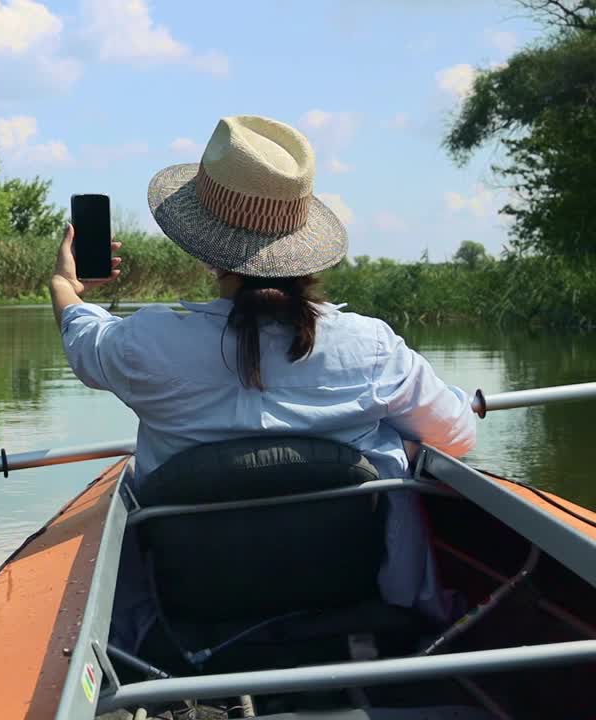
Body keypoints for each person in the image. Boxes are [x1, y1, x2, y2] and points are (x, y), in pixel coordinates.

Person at [48, 115, 477, 652]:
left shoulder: (148, 343)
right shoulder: (370, 346)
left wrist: (66, 285)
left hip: (192, 608)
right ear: (302, 242)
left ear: (205, 246)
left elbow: (86, 337)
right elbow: (458, 436)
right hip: (346, 595)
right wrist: (401, 435)